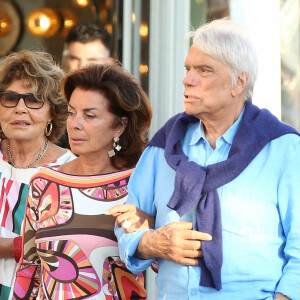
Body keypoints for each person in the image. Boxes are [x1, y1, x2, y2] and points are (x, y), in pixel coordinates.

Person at [114, 19, 300, 300]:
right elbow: (127, 221)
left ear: (239, 82)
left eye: (204, 70)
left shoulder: (282, 148)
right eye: (188, 69)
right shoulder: (164, 146)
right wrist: (153, 242)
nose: (187, 79)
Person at [12, 63, 152, 300]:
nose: (75, 123)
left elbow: (165, 263)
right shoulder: (44, 182)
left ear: (120, 124)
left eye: (89, 115)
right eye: (71, 112)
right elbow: (29, 270)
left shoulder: (139, 183)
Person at [0, 50, 76, 299]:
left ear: (52, 112)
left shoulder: (71, 171)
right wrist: (19, 246)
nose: (20, 108)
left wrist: (15, 247)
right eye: (10, 98)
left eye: (34, 99)